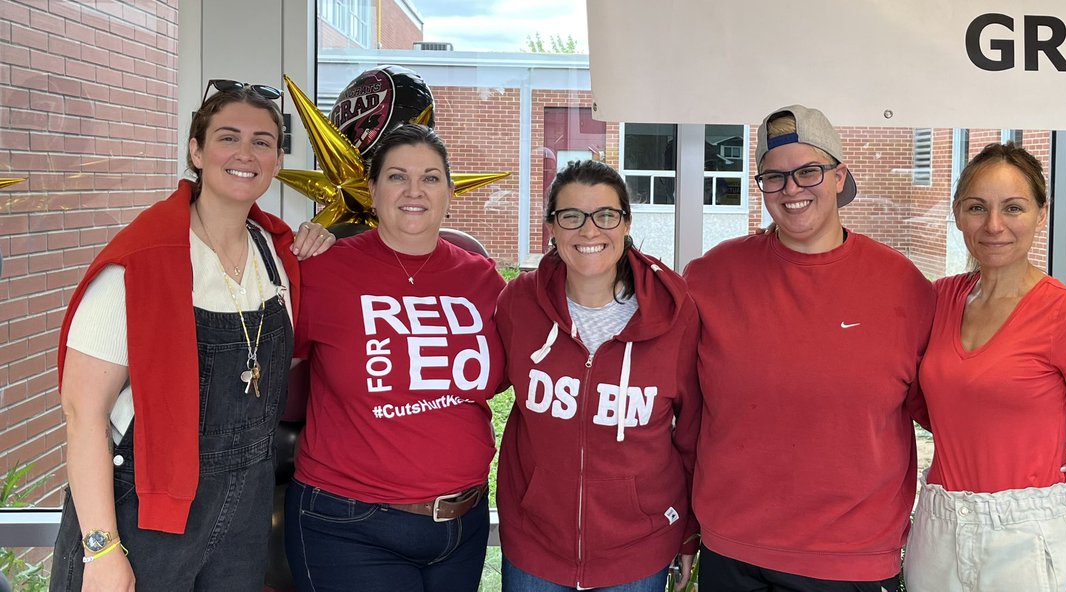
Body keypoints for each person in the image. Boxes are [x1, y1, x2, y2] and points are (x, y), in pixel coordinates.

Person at [50, 79, 335, 592]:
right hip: (144, 515)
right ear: (196, 151)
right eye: (228, 137)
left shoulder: (279, 256)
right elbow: (83, 415)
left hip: (245, 514)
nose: (245, 153)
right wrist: (102, 550)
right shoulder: (139, 264)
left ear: (275, 160)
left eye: (263, 142)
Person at [682, 104, 936, 591]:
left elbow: (952, 403)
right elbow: (673, 402)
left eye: (808, 171)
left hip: (852, 556)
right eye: (774, 178)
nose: (792, 189)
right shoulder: (711, 277)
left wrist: (1046, 454)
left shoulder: (902, 287)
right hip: (733, 549)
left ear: (840, 177)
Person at [283, 124, 506, 592]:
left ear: (449, 191)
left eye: (430, 178)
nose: (414, 191)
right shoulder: (322, 269)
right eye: (396, 176)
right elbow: (265, 369)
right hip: (350, 524)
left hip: (462, 527)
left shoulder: (483, 278)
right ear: (372, 188)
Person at [903, 143, 1066, 592]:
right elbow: (935, 403)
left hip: (1028, 537)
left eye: (1014, 208)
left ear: (1041, 214)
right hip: (939, 527)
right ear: (957, 213)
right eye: (977, 207)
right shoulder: (937, 299)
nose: (994, 225)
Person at [494, 160, 702, 591]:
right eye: (571, 216)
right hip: (536, 546)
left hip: (637, 549)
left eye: (605, 215)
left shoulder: (675, 315)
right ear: (551, 226)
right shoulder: (518, 303)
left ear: (625, 223)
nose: (589, 231)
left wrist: (687, 529)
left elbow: (693, 433)